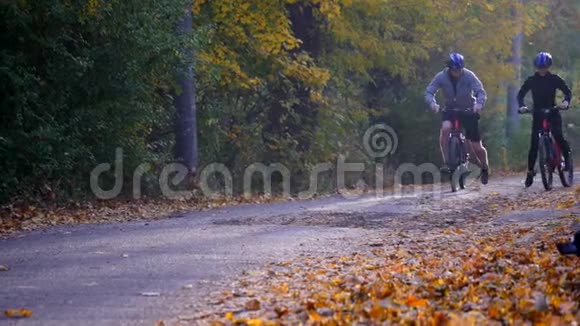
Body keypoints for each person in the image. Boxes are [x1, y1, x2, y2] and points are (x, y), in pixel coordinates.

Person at [425, 53, 490, 185]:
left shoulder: (469, 75)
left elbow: (480, 91)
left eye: (459, 70)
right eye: (455, 70)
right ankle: (446, 162)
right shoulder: (441, 77)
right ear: (449, 69)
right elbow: (429, 92)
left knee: (477, 147)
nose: (457, 73)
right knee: (445, 129)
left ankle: (484, 167)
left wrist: (479, 104)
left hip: (468, 110)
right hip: (450, 110)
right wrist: (433, 104)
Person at [517, 51, 572, 187]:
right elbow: (520, 95)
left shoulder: (554, 79)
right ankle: (530, 172)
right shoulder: (531, 80)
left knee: (558, 135)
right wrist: (522, 106)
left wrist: (566, 102)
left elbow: (567, 91)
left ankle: (567, 158)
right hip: (538, 113)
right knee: (534, 144)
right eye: (540, 67)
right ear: (536, 67)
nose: (542, 70)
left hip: (552, 112)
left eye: (545, 67)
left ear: (549, 66)